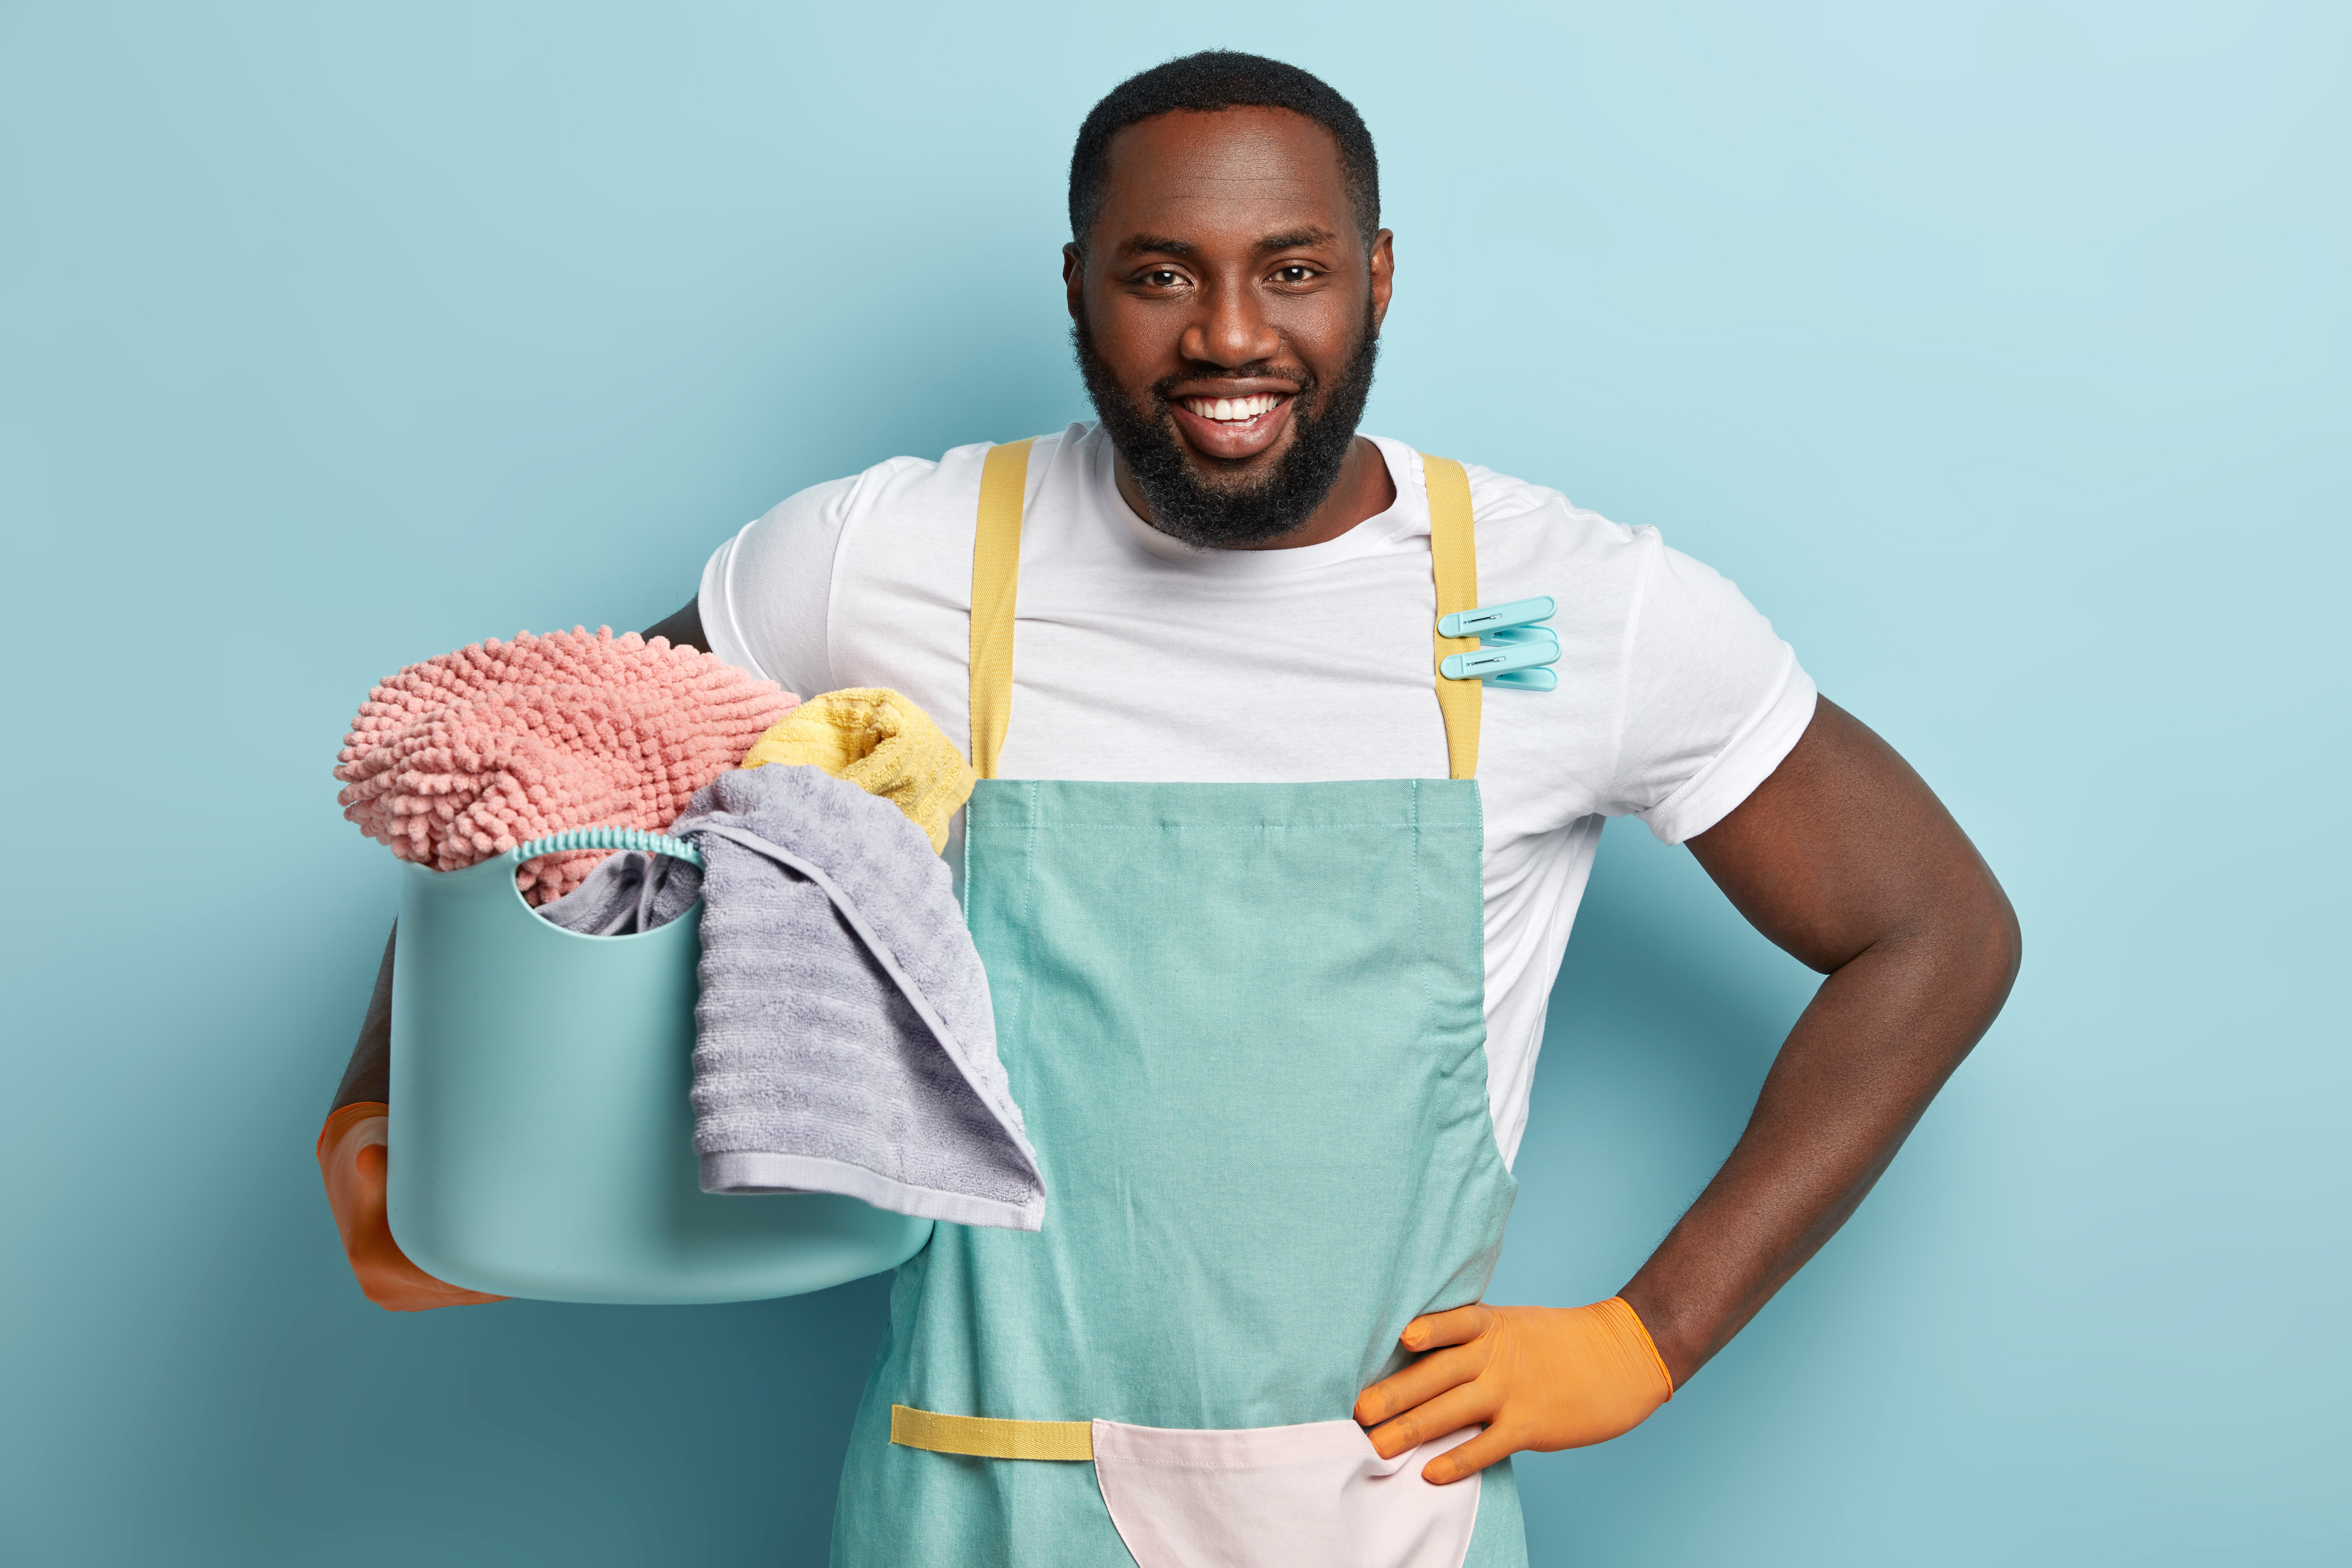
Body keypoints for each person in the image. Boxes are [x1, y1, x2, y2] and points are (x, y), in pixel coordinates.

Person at [321, 51, 2019, 1565]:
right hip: (973, 1497)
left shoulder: (1582, 608)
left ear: (1379, 277)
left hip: (1382, 1515)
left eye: (1293, 271)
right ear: (1077, 288)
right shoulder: (886, 559)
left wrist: (1654, 1332)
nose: (1228, 337)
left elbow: (1935, 931)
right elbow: (543, 758)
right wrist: (402, 1125)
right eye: (1160, 275)